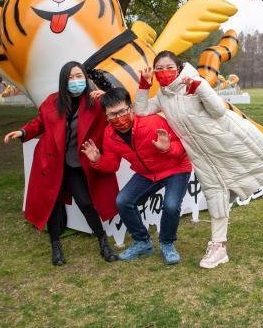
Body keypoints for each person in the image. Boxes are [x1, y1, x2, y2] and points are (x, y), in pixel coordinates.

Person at [135, 51, 263, 269]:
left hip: (227, 135)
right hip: (201, 153)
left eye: (169, 67)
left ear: (179, 68)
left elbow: (218, 111)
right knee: (214, 193)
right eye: (159, 69)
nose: (164, 72)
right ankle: (218, 247)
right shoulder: (163, 96)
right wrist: (144, 85)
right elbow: (141, 110)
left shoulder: (195, 82)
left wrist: (200, 88)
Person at [4, 61, 118, 266]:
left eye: (79, 76)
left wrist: (107, 96)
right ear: (63, 81)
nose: (76, 81)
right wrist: (23, 132)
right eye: (71, 78)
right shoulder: (52, 102)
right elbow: (39, 123)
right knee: (52, 204)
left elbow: (120, 108)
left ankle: (103, 241)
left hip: (76, 163)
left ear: (86, 78)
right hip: (52, 163)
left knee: (85, 202)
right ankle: (56, 245)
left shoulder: (96, 102)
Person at [82, 88, 192, 265]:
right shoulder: (109, 134)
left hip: (176, 167)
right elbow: (112, 164)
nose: (118, 117)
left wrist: (168, 148)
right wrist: (97, 160)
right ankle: (142, 242)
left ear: (131, 107)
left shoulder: (153, 121)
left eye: (122, 111)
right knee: (123, 200)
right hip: (147, 173)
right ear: (105, 116)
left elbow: (184, 146)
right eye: (112, 115)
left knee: (171, 206)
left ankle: (167, 243)